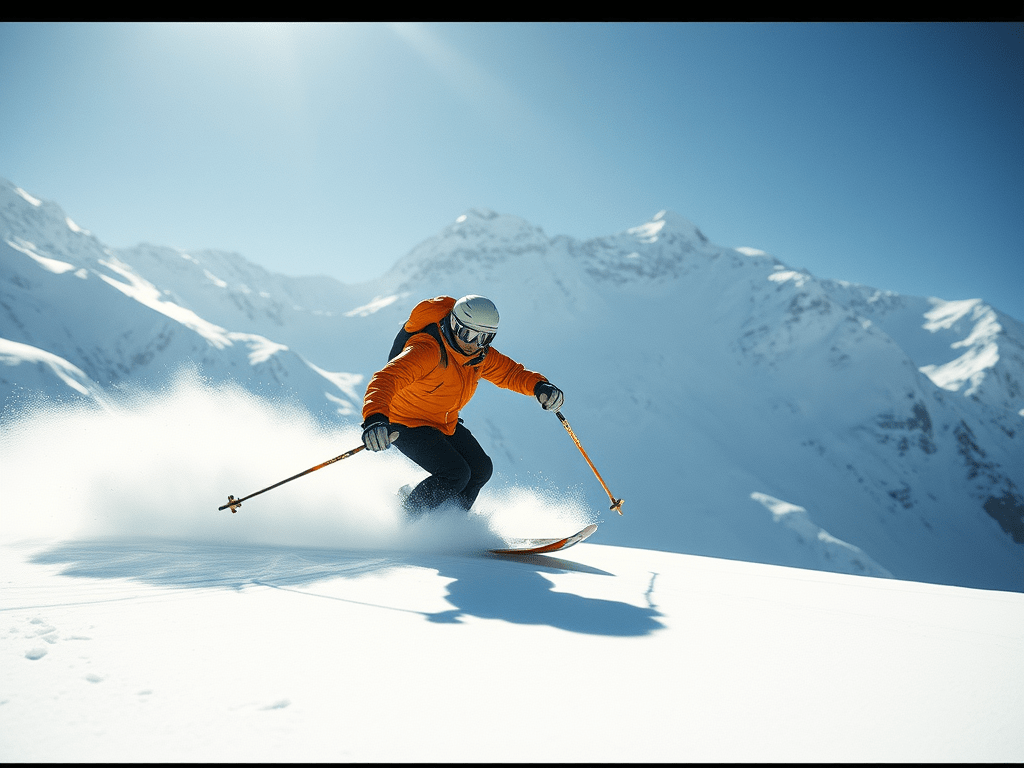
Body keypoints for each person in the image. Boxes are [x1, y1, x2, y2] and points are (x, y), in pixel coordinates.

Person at [360, 294, 564, 516]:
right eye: (467, 334)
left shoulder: (480, 355)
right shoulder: (428, 350)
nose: (473, 344)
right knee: (455, 473)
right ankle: (407, 520)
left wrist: (540, 387)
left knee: (480, 469)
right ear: (454, 325)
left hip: (443, 422)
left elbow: (511, 373)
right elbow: (386, 379)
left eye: (485, 338)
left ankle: (450, 526)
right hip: (406, 423)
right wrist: (375, 418)